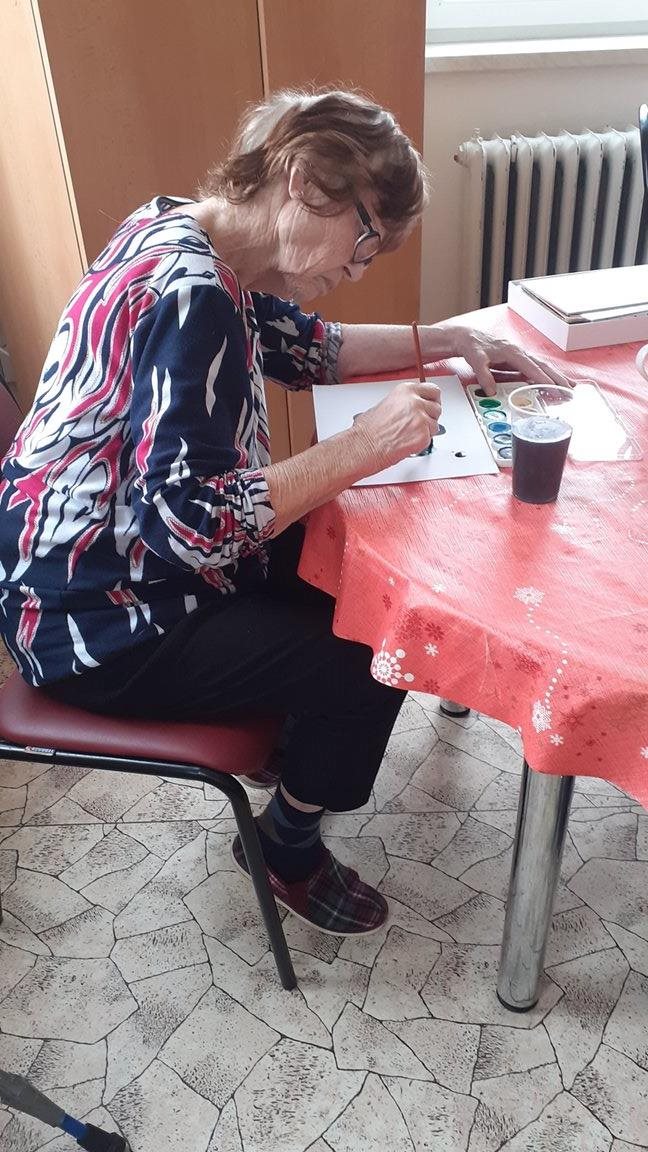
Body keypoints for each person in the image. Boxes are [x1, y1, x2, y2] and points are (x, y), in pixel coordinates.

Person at [0, 89, 570, 937]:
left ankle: (295, 745)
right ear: (303, 181)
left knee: (366, 586)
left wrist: (445, 340)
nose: (361, 267)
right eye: (366, 237)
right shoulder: (193, 295)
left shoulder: (184, 231)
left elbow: (310, 347)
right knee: (372, 653)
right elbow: (190, 527)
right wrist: (363, 446)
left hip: (82, 569)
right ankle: (284, 845)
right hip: (94, 623)